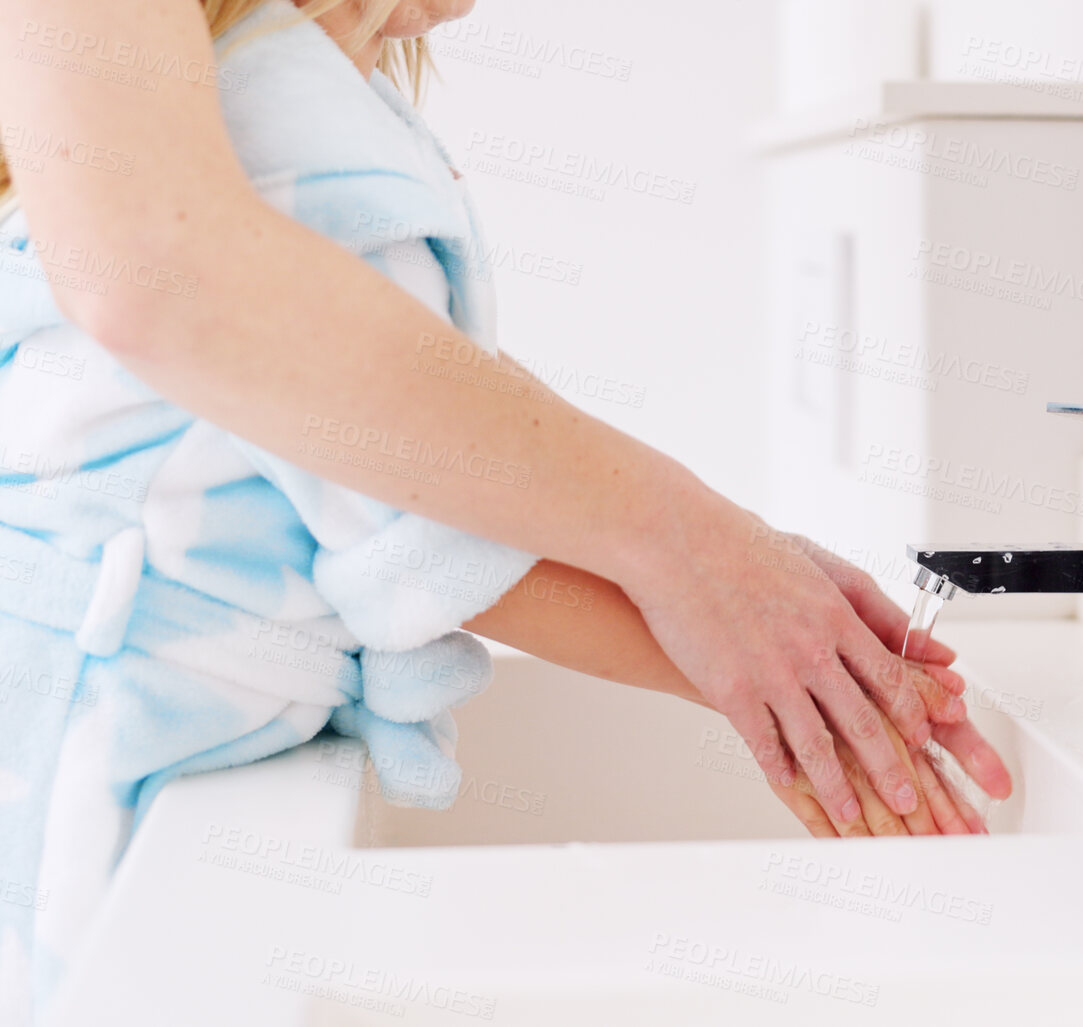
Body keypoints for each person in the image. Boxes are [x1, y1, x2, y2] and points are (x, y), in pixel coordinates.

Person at [0, 0, 1008, 1020]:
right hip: (96, 751)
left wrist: (758, 598)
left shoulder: (249, 93)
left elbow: (430, 463)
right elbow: (425, 534)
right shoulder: (298, 119)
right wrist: (782, 649)